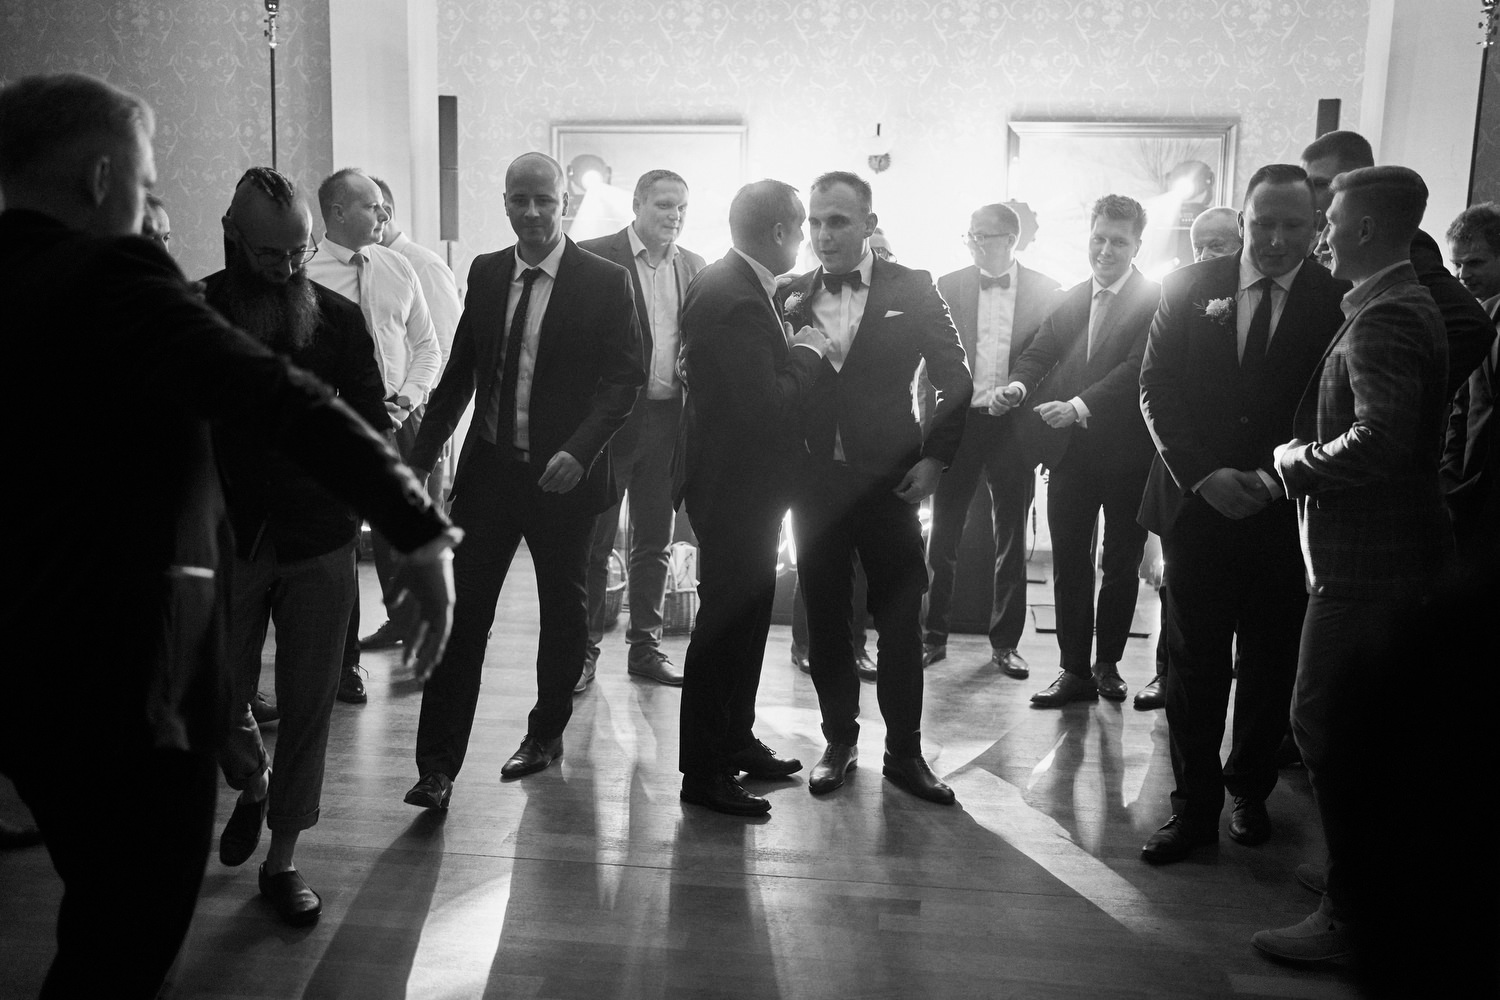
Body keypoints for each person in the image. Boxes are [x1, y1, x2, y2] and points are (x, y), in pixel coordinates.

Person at [0, 71, 458, 999]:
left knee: (97, 906)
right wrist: (417, 530)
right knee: (129, 932)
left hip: (27, 670)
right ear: (101, 180)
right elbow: (284, 399)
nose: (148, 204)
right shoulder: (115, 275)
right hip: (126, 666)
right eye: (145, 180)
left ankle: (276, 833)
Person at [402, 152, 644, 807]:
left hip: (563, 480)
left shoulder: (606, 281)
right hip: (490, 476)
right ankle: (436, 768)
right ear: (505, 202)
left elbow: (625, 379)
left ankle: (544, 735)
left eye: (545, 199)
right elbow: (460, 373)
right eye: (520, 199)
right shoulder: (485, 272)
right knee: (462, 618)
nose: (532, 212)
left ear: (564, 201)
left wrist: (581, 450)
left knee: (562, 614)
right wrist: (417, 460)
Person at [1257, 166, 1450, 962]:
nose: (1322, 236)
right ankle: (1360, 874)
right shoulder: (1391, 300)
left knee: (1324, 723)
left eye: (1329, 221)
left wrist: (1292, 464)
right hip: (1378, 554)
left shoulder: (1388, 313)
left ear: (1364, 228)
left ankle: (1352, 912)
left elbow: (1381, 440)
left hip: (1370, 560)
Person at [1136, 164, 1348, 864]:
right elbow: (1156, 387)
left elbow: (1338, 407)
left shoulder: (1338, 300)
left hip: (1286, 513)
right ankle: (1193, 808)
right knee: (1193, 664)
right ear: (1243, 220)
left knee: (1270, 663)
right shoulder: (1187, 286)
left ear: (1316, 226)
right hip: (1196, 510)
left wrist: (1270, 479)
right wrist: (1202, 475)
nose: (1277, 239)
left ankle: (1249, 792)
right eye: (1264, 224)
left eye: (1294, 225)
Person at [205, 166, 394, 924]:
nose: (286, 270)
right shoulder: (196, 314)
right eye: (270, 256)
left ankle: (282, 859)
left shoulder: (339, 321)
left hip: (320, 539)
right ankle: (252, 783)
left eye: (298, 254)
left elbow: (372, 425)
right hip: (231, 538)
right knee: (215, 696)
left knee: (310, 704)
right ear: (233, 238)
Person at [780, 171, 971, 805]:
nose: (824, 234)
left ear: (868, 223)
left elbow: (954, 377)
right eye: (815, 222)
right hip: (815, 484)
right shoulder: (790, 292)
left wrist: (937, 458)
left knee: (900, 620)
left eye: (837, 221)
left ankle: (905, 754)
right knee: (827, 619)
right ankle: (839, 741)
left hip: (891, 482)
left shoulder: (912, 286)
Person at [675, 178, 829, 816]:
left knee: (748, 621)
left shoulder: (734, 281)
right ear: (780, 232)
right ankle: (703, 772)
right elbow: (765, 406)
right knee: (723, 630)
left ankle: (735, 738)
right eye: (803, 227)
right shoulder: (733, 296)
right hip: (734, 488)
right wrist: (808, 354)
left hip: (746, 488)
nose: (807, 239)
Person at [1001, 195, 1161, 707]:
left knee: (1121, 562)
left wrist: (1077, 405)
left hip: (1129, 454)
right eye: (1099, 239)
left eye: (1118, 241)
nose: (1106, 250)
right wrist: (1019, 387)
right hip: (1069, 453)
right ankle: (1073, 671)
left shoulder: (1155, 299)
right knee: (1069, 561)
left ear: (1137, 245)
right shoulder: (1070, 297)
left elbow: (1136, 370)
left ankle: (1107, 664)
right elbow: (1040, 352)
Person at [306, 167, 442, 704]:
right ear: (338, 212)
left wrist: (407, 397)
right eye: (371, 206)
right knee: (341, 549)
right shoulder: (306, 276)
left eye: (383, 205)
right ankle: (345, 666)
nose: (384, 213)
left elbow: (427, 345)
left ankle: (419, 642)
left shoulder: (398, 266)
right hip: (336, 426)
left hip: (399, 421)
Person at [578, 169, 706, 691]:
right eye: (663, 204)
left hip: (668, 421)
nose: (674, 215)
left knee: (655, 541)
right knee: (595, 542)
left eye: (681, 207)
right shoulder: (593, 257)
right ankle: (583, 649)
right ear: (637, 204)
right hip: (611, 423)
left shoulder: (695, 266)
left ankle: (645, 648)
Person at [924, 202, 1061, 677]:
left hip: (1013, 428)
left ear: (1011, 240)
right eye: (970, 235)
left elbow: (1052, 360)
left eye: (983, 236)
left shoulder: (1047, 290)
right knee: (942, 533)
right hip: (959, 424)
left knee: (1012, 538)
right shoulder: (948, 285)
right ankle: (932, 636)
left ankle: (1005, 644)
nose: (974, 243)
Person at [1135, 205, 1247, 713]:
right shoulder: (1181, 291)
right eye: (1198, 245)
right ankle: (1166, 673)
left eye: (1217, 244)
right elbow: (1157, 384)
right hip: (1182, 468)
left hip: (1250, 471)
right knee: (1175, 587)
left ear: (1241, 241)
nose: (1205, 254)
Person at [1301, 130, 1495, 395]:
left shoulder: (1400, 243)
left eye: (1319, 184)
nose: (1309, 195)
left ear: (1358, 179)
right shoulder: (1315, 239)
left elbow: (1470, 326)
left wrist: (1405, 389)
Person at [361, 174, 465, 518]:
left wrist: (434, 422)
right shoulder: (363, 263)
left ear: (385, 212)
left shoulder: (424, 264)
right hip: (375, 410)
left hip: (417, 412)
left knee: (419, 521)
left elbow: (449, 350)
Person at [1442, 203, 1500, 570]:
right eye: (1457, 265)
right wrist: (1449, 482)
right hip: (1470, 496)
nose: (1463, 275)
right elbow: (1462, 409)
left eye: (1475, 263)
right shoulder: (1476, 319)